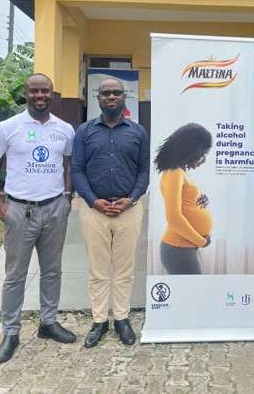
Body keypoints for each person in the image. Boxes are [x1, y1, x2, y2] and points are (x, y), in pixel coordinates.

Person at [0, 74, 76, 363]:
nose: (39, 95)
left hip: (54, 209)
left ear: (52, 94)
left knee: (52, 270)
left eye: (44, 91)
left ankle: (48, 322)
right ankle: (11, 332)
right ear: (26, 93)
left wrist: (67, 196)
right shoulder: (8, 128)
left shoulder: (65, 130)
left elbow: (69, 163)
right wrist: (0, 207)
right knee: (15, 275)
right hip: (20, 210)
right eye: (34, 91)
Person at [72, 78, 149, 348]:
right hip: (94, 211)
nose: (112, 97)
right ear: (99, 98)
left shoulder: (138, 132)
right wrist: (94, 201)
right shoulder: (84, 131)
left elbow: (144, 171)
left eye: (117, 93)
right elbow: (77, 170)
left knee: (125, 269)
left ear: (124, 97)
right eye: (106, 93)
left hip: (129, 210)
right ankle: (99, 320)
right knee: (98, 269)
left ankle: (122, 319)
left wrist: (132, 198)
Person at [155, 123, 212, 274]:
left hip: (184, 246)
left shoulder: (179, 172)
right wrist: (201, 241)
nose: (203, 159)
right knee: (193, 288)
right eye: (202, 154)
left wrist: (201, 201)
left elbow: (185, 202)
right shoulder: (174, 173)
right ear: (190, 150)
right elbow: (173, 217)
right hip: (178, 248)